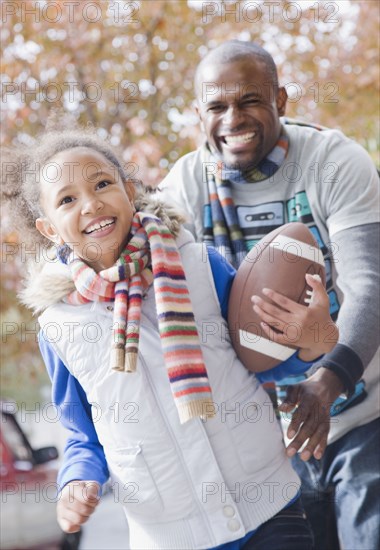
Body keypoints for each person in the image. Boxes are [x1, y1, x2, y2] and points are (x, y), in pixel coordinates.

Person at [2, 116, 338, 550]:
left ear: (128, 189)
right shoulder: (59, 327)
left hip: (268, 504)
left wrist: (312, 342)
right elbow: (80, 431)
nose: (90, 204)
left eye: (102, 184)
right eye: (67, 199)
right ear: (49, 228)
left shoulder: (199, 265)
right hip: (170, 533)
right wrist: (78, 480)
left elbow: (261, 357)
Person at [158, 40, 380, 550]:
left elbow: (369, 282)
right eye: (217, 106)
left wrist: (328, 379)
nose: (233, 118)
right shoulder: (185, 187)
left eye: (250, 100)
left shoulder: (334, 160)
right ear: (199, 113)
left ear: (280, 99)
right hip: (265, 443)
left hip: (362, 417)